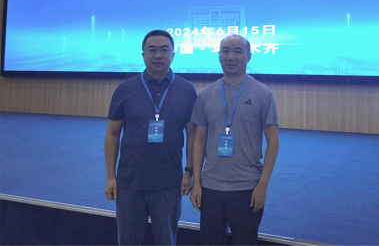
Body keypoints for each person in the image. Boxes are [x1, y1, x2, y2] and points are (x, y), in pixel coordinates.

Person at [104, 30, 197, 245]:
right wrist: (110, 176)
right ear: (143, 55)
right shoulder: (125, 89)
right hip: (129, 183)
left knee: (166, 240)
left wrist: (189, 172)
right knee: (128, 241)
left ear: (173, 55)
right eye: (152, 50)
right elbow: (112, 134)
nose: (158, 55)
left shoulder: (187, 90)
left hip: (169, 184)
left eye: (164, 50)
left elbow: (193, 135)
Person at [189, 34, 280, 245]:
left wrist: (262, 186)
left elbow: (273, 143)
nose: (231, 57)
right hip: (210, 187)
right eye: (225, 51)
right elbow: (199, 139)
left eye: (238, 51)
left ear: (249, 56)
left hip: (247, 188)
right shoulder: (206, 94)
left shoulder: (263, 94)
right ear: (219, 55)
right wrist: (197, 183)